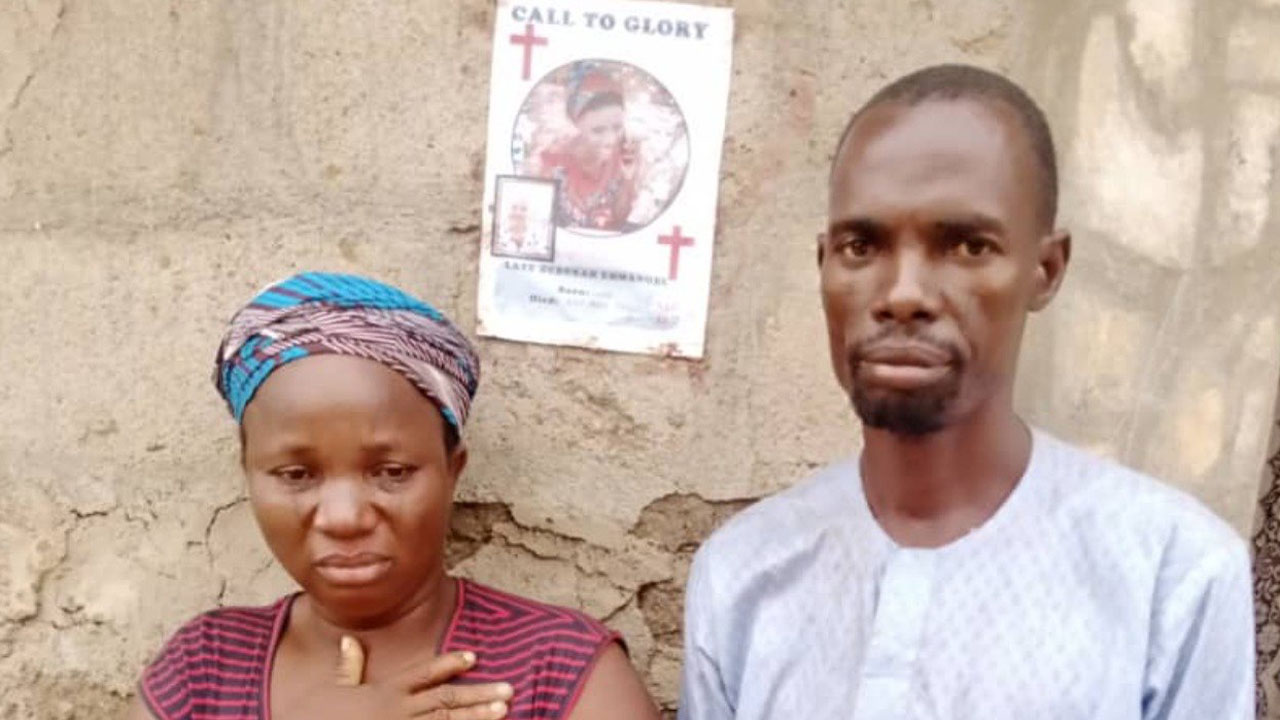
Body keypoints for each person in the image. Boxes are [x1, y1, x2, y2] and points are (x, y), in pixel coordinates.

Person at [678, 64, 1254, 719]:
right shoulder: (743, 574)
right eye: (861, 246)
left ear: (1046, 270)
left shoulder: (1172, 578)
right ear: (823, 265)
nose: (903, 294)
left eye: (967, 247)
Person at [127, 272, 659, 720]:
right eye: (296, 475)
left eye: (392, 472)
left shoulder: (562, 674)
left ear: (452, 472)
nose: (344, 518)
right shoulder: (201, 672)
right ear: (248, 474)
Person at [535, 63, 640, 232]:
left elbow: (620, 220)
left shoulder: (626, 154)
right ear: (577, 124)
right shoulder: (555, 160)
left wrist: (628, 179)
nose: (611, 139)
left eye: (617, 127)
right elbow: (540, 220)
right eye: (598, 130)